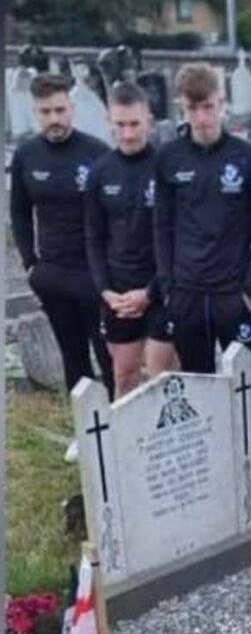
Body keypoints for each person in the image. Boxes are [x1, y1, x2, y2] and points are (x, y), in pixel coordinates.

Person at [10, 72, 114, 459]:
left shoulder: (97, 153)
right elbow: (19, 213)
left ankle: (115, 425)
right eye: (45, 112)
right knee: (73, 357)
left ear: (71, 108)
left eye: (59, 109)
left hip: (95, 274)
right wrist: (31, 263)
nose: (54, 118)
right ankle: (85, 431)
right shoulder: (26, 156)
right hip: (52, 275)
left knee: (106, 353)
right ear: (35, 112)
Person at [154, 62, 251, 374]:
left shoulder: (248, 157)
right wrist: (168, 287)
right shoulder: (168, 157)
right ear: (182, 107)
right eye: (193, 109)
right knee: (197, 382)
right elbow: (162, 227)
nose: (202, 118)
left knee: (243, 386)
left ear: (222, 104)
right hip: (186, 293)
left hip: (232, 294)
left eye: (209, 107)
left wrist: (250, 290)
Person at [85, 82, 175, 399]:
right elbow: (94, 239)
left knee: (160, 378)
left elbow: (177, 238)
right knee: (123, 377)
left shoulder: (166, 167)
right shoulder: (100, 173)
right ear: (110, 123)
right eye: (120, 125)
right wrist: (107, 292)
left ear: (149, 120)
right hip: (118, 295)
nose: (127, 134)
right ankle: (128, 448)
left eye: (134, 124)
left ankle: (164, 446)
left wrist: (150, 292)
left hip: (160, 291)